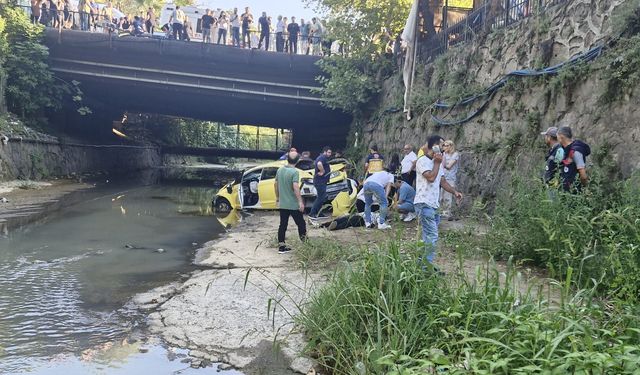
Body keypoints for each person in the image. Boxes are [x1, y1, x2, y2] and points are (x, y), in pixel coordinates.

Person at [414, 135, 463, 264]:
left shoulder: (438, 163)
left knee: (427, 237)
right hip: (424, 203)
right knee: (432, 235)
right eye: (441, 145)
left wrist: (454, 192)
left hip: (433, 205)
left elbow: (442, 181)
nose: (443, 148)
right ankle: (425, 267)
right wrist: (436, 163)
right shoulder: (422, 161)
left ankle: (423, 264)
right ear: (434, 146)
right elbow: (430, 177)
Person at [275, 151, 307, 254]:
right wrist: (300, 202)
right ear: (297, 161)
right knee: (301, 223)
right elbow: (296, 187)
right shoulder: (294, 172)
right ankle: (306, 244)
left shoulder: (280, 170)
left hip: (283, 203)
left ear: (287, 158)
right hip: (293, 204)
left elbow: (275, 185)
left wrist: (277, 198)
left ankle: (281, 246)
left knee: (283, 225)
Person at [557, 126, 590, 192]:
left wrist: (585, 190)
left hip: (575, 194)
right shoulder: (566, 150)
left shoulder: (575, 151)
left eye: (557, 136)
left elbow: (583, 176)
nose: (557, 139)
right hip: (566, 193)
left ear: (561, 137)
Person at [309, 146, 332, 219]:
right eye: (328, 152)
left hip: (321, 181)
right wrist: (322, 171)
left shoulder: (322, 157)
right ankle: (312, 213)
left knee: (321, 197)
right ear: (324, 152)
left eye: (330, 152)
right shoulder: (322, 157)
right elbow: (319, 164)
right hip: (320, 181)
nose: (330, 154)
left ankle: (319, 213)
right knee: (321, 197)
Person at [441, 140, 460, 219]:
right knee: (441, 195)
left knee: (448, 195)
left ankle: (447, 212)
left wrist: (441, 162)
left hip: (450, 177)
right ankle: (441, 211)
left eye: (445, 145)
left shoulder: (455, 155)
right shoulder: (443, 154)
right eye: (443, 145)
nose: (444, 147)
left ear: (450, 146)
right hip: (442, 176)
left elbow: (449, 166)